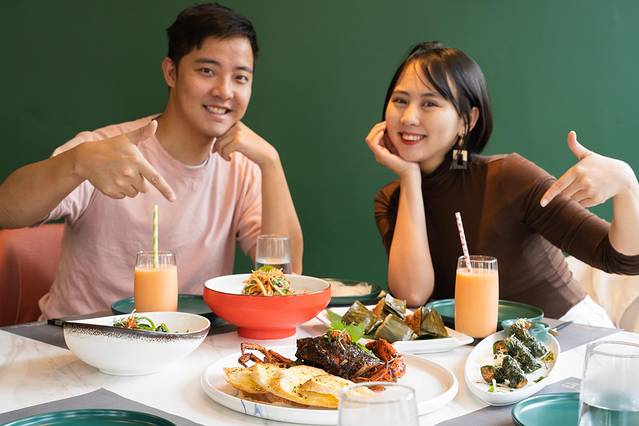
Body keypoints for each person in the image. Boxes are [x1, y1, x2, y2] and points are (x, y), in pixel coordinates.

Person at [0, 3, 303, 319]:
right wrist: (77, 162)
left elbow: (287, 277)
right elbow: (6, 210)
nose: (224, 91)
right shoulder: (104, 150)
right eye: (207, 71)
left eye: (240, 77)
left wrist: (271, 163)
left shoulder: (242, 168)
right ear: (171, 72)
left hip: (188, 341)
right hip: (78, 339)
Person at [365, 41, 639, 325]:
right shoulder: (391, 200)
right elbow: (413, 294)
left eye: (429, 103)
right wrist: (410, 178)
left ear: (467, 121)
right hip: (478, 346)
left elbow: (621, 259)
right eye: (400, 101)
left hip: (566, 333)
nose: (408, 117)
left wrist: (626, 184)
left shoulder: (507, 177)